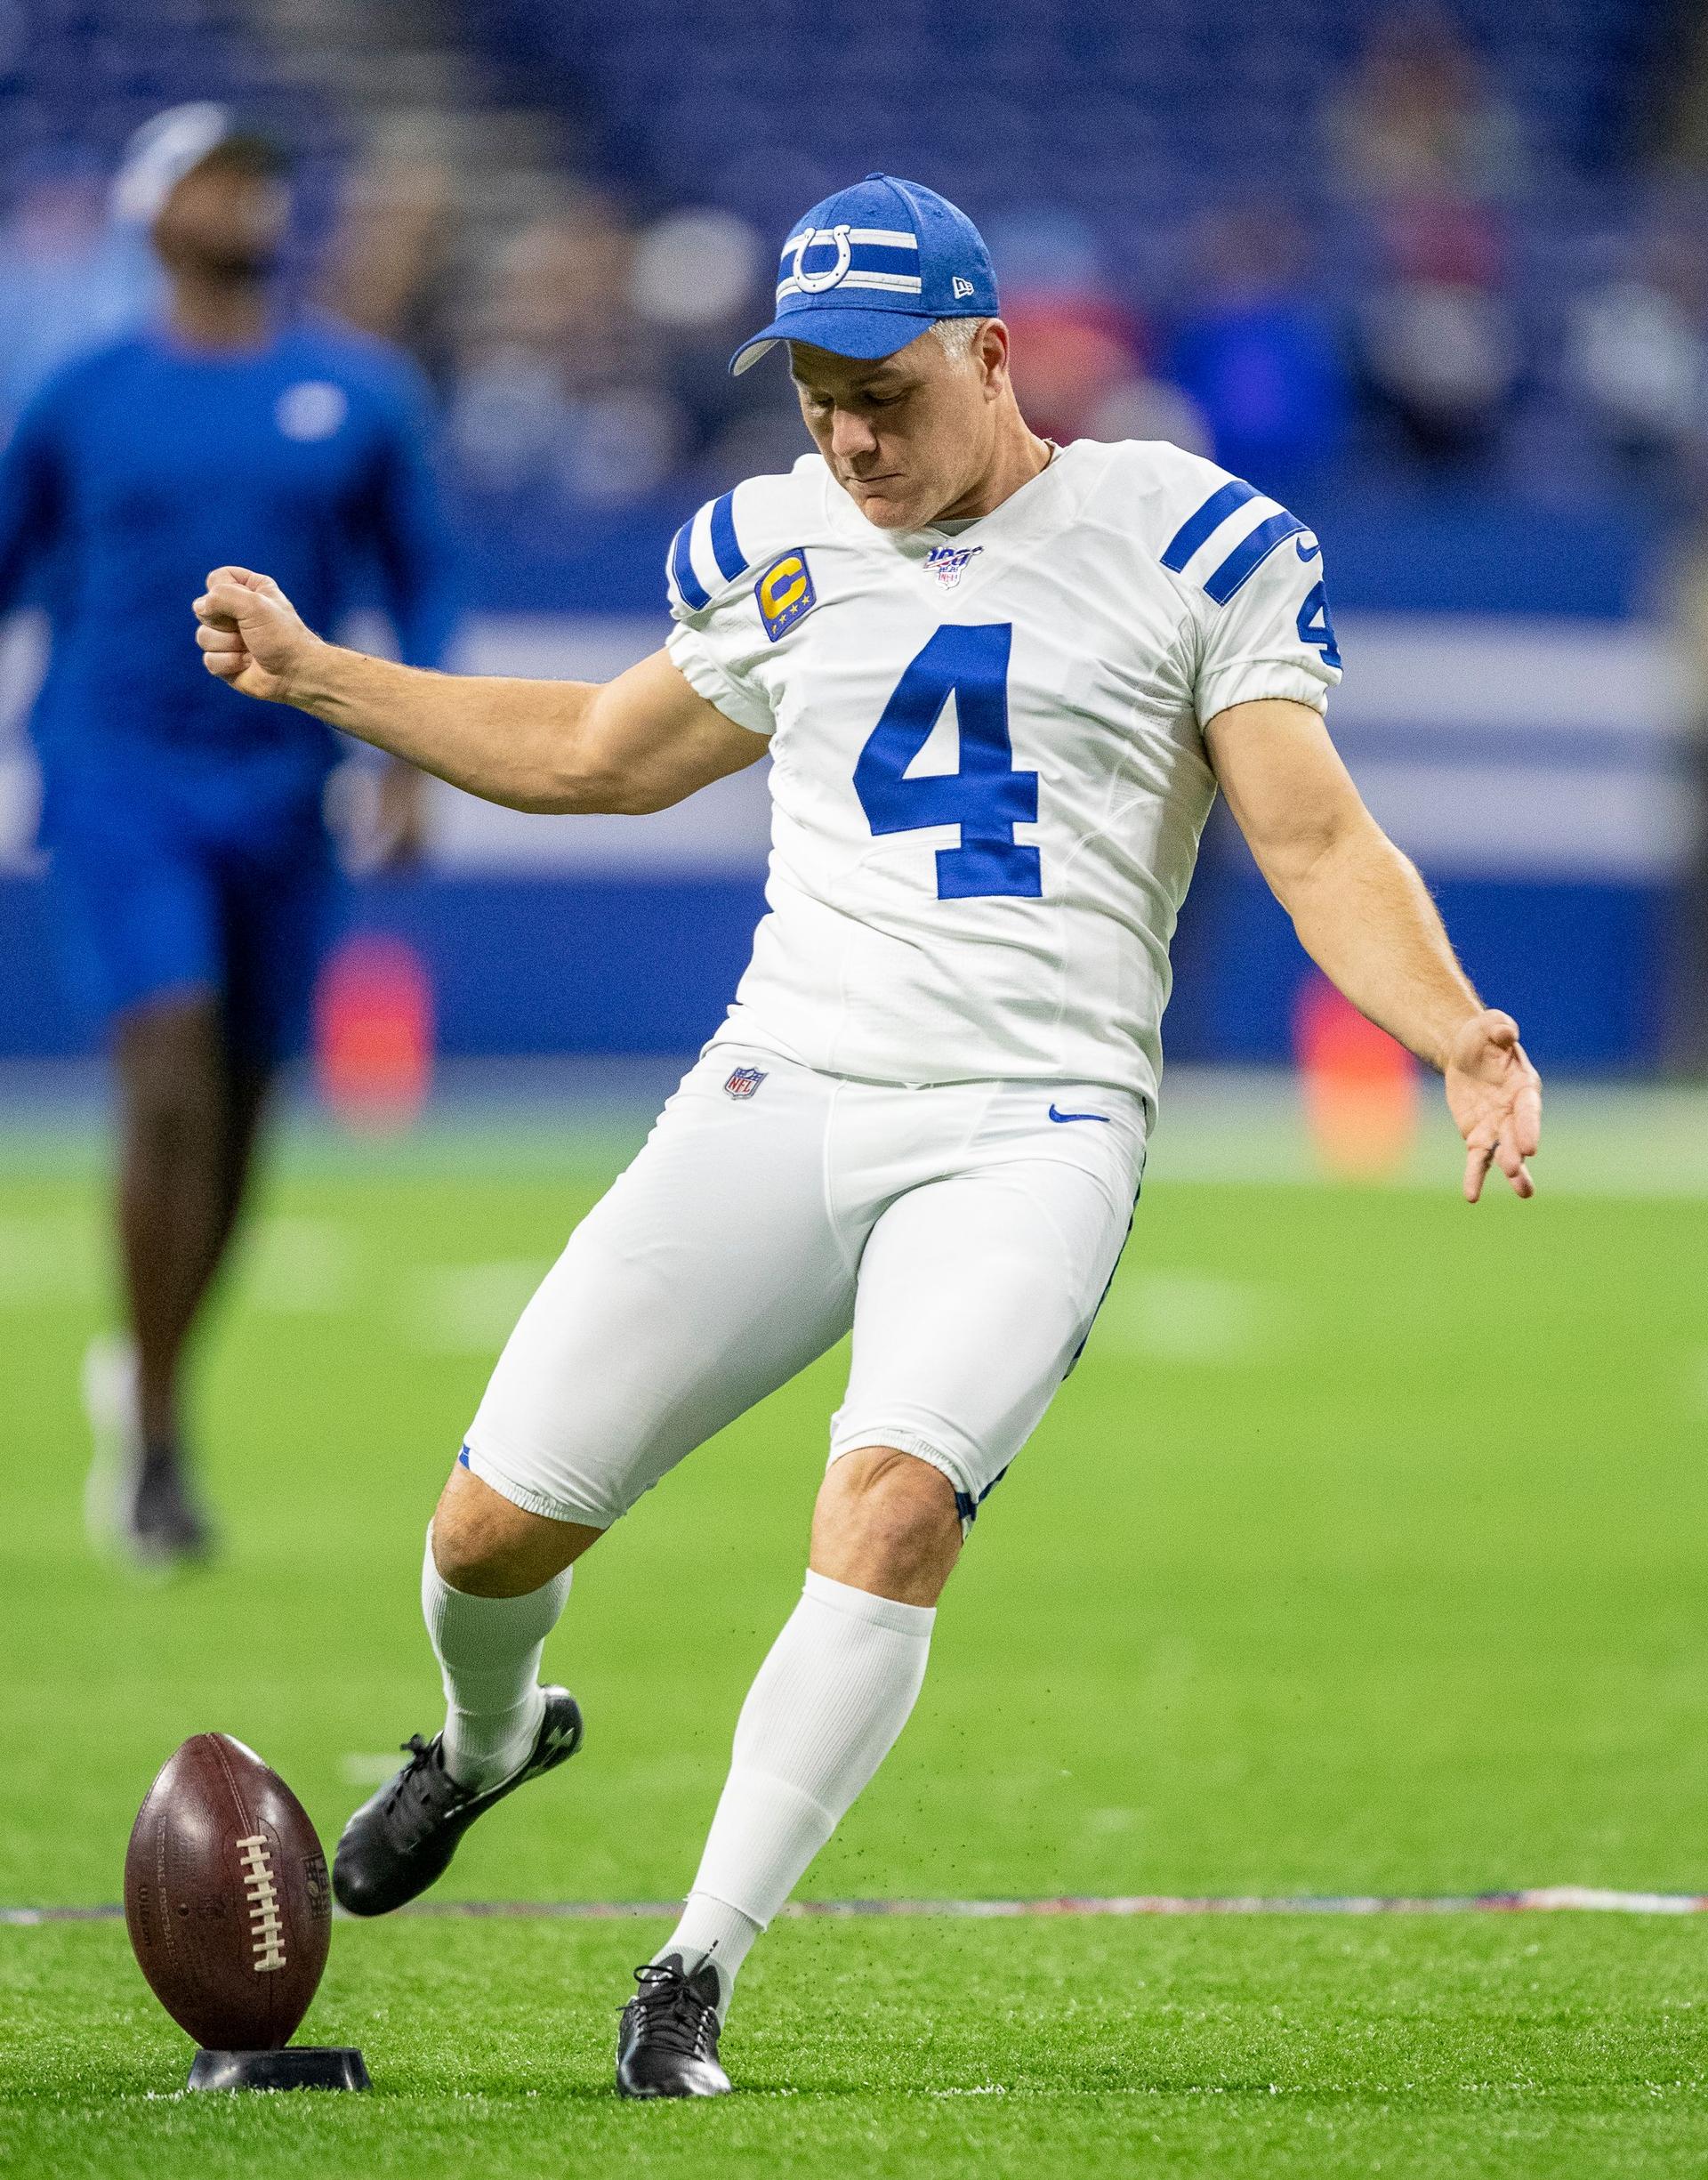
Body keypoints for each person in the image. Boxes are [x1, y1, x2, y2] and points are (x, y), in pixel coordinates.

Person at [192, 174, 1541, 2097]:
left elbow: (1310, 837)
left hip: (1032, 1123)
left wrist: (1456, 1028)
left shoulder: (1180, 533)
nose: (851, 433)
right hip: (785, 1086)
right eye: (818, 392)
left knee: (891, 1506)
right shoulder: (779, 543)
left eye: (888, 389)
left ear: (993, 354)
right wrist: (325, 675)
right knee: (486, 1533)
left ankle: (691, 1970)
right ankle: (488, 1740)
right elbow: (593, 753)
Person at [0, 105, 457, 1564]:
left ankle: (153, 1376)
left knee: (249, 1112)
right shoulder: (83, 395)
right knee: (173, 1072)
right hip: (119, 774)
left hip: (281, 785)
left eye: (259, 177)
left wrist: (407, 747)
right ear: (154, 210)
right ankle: (157, 1427)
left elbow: (425, 576)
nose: (242, 200)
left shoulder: (355, 391)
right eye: (211, 178)